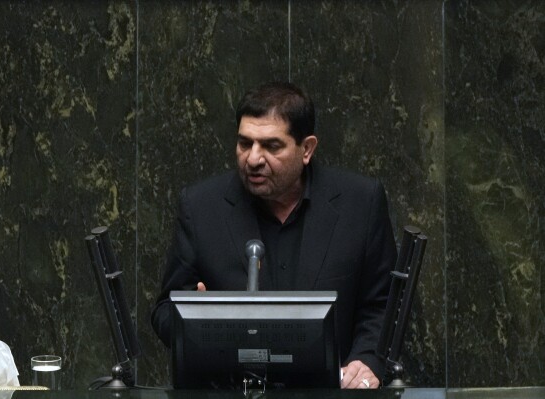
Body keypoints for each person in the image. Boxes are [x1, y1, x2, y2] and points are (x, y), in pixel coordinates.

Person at [151, 82, 396, 389]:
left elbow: (384, 304)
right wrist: (196, 321)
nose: (253, 159)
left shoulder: (360, 203)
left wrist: (367, 359)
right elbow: (164, 310)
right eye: (244, 143)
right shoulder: (201, 207)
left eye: (271, 146)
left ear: (306, 149)